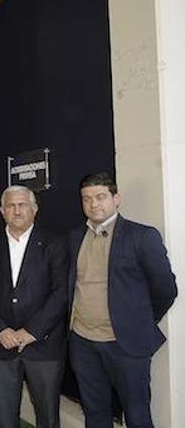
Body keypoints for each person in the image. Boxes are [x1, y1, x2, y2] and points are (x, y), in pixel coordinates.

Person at [68, 172, 177, 427]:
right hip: (83, 343)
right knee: (95, 414)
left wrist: (140, 320)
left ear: (116, 199)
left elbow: (166, 289)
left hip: (126, 345)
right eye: (87, 199)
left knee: (137, 417)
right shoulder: (75, 238)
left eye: (101, 197)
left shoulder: (142, 236)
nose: (94, 204)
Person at [0, 186, 67, 428]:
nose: (17, 211)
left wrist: (32, 331)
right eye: (11, 206)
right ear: (2, 211)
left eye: (22, 205)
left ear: (34, 209)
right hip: (2, 345)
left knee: (47, 416)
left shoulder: (54, 243)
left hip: (43, 346)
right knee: (6, 416)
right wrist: (0, 329)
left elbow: (61, 293)